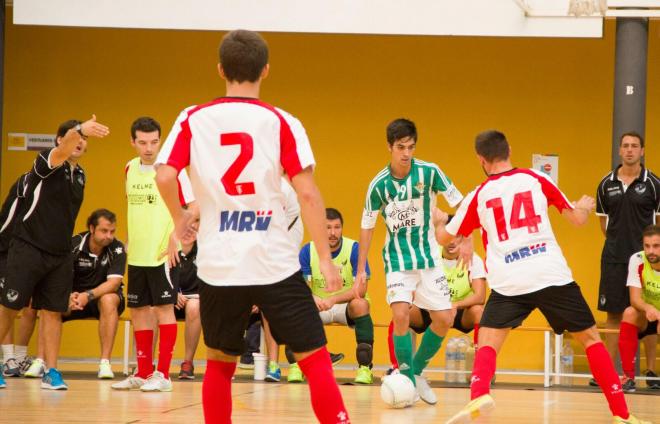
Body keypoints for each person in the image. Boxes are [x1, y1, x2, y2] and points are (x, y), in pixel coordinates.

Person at [155, 29, 350, 423]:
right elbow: (308, 196)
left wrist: (182, 219)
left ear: (220, 69)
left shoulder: (192, 118)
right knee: (314, 360)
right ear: (265, 70)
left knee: (220, 365)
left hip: (219, 264)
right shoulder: (282, 122)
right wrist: (327, 261)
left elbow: (164, 175)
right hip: (272, 261)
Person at [438, 130, 650, 424]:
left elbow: (444, 236)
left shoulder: (478, 195)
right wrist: (587, 208)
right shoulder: (536, 178)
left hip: (509, 280)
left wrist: (442, 220)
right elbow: (576, 218)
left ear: (481, 160)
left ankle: (479, 395)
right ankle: (622, 414)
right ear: (509, 149)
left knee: (487, 340)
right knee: (590, 339)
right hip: (550, 273)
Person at [354, 118, 464, 404]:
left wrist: (466, 240)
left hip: (428, 259)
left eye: (411, 147)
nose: (406, 153)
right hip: (397, 261)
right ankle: (406, 379)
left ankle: (415, 373)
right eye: (401, 147)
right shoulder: (378, 186)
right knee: (401, 314)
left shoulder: (430, 172)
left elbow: (462, 204)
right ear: (390, 147)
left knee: (445, 318)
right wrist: (360, 270)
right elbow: (367, 226)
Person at [0, 116, 109, 390]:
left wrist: (80, 133)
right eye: (75, 137)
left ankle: (51, 372)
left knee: (52, 312)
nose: (80, 142)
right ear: (61, 140)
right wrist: (80, 129)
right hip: (29, 248)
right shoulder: (46, 162)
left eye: (84, 140)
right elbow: (61, 151)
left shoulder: (80, 175)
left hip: (60, 255)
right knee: (10, 306)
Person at [111, 117, 195, 392]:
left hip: (163, 256)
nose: (149, 148)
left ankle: (164, 375)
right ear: (133, 142)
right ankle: (144, 371)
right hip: (137, 255)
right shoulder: (129, 169)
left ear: (161, 140)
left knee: (163, 310)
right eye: (143, 142)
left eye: (154, 142)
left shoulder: (173, 171)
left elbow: (194, 207)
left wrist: (175, 236)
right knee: (138, 311)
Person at [23, 209, 127, 380]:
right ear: (92, 228)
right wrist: (67, 296)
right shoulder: (74, 244)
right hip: (73, 297)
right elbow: (58, 276)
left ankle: (105, 363)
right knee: (50, 304)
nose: (109, 236)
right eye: (104, 231)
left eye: (112, 231)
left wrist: (88, 295)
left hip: (100, 297)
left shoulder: (117, 249)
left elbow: (113, 283)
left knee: (109, 300)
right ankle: (41, 361)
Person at [596, 132, 660, 380]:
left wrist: (649, 250)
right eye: (626, 146)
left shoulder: (654, 184)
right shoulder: (605, 184)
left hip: (647, 260)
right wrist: (617, 243)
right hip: (613, 258)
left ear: (642, 151)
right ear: (619, 151)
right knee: (613, 313)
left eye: (635, 146)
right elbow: (603, 225)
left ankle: (652, 370)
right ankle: (611, 372)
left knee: (650, 312)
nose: (630, 150)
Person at [290, 207, 375, 384]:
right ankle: (296, 366)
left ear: (342, 228)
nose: (332, 233)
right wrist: (315, 299)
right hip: (318, 305)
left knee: (361, 304)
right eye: (328, 227)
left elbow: (361, 289)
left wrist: (333, 299)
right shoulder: (308, 250)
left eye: (337, 227)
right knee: (297, 306)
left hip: (345, 305)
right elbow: (301, 287)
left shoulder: (354, 248)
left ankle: (365, 369)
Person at [386, 226, 487, 372]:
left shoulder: (473, 259)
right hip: (430, 307)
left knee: (479, 312)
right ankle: (397, 367)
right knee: (401, 314)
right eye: (448, 236)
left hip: (459, 311)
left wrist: (454, 304)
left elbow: (480, 296)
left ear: (464, 238)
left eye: (457, 236)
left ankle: (481, 370)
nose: (452, 242)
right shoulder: (429, 256)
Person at [0, 173, 35, 384]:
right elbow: (7, 219)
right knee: (7, 302)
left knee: (30, 303)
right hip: (7, 249)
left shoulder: (70, 180)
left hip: (30, 252)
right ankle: (8, 357)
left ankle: (19, 358)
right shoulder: (27, 182)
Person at [618, 225, 660, 392]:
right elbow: (635, 299)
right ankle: (628, 377)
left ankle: (652, 373)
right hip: (647, 314)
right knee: (629, 313)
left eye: (656, 246)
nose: (651, 251)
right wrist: (650, 308)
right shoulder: (637, 259)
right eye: (647, 246)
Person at [174, 239, 201, 380]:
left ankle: (188, 363)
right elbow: (158, 275)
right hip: (170, 297)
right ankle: (148, 363)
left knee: (194, 307)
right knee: (152, 309)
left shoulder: (205, 248)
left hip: (195, 299)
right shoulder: (168, 246)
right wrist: (172, 293)